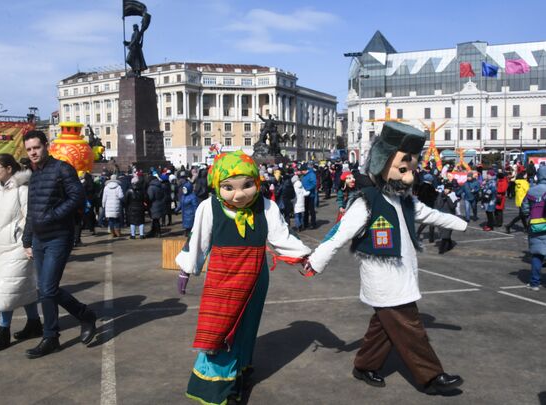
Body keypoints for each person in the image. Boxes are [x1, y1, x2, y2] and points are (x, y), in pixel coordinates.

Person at [305, 122, 466, 395]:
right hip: (383, 278)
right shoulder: (366, 201)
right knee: (410, 327)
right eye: (403, 170)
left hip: (401, 274)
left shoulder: (403, 199)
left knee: (384, 328)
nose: (408, 177)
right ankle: (431, 377)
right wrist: (316, 261)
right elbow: (339, 233)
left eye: (411, 170)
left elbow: (429, 214)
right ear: (382, 166)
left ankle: (365, 365)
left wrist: (460, 222)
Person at [176, 151, 311, 404]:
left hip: (256, 277)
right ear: (217, 185)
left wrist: (303, 256)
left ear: (257, 182)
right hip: (222, 277)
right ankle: (218, 388)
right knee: (221, 332)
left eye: (247, 185)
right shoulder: (209, 206)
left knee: (247, 326)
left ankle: (240, 372)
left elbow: (281, 237)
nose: (239, 195)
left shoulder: (266, 205)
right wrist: (186, 267)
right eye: (229, 187)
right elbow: (198, 240)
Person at [21, 131, 96, 358]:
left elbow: (78, 197)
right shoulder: (33, 176)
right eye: (29, 149)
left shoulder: (63, 169)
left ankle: (83, 315)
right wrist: (27, 239)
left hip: (58, 237)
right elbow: (31, 213)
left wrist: (53, 215)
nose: (33, 152)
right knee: (45, 290)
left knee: (48, 288)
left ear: (47, 146)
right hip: (38, 239)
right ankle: (51, 336)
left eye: (37, 147)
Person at [0, 154, 41, 351]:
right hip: (0, 247)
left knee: (6, 290)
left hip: (18, 247)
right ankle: (34, 323)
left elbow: (29, 216)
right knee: (23, 289)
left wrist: (20, 235)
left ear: (8, 169)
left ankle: (2, 332)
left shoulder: (22, 190)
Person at [521, 165, 546, 291]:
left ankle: (534, 283)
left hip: (537, 226)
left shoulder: (532, 190)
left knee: (537, 255)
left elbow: (524, 209)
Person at [435, 182, 458, 254]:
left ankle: (441, 249)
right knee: (443, 232)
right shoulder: (440, 195)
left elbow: (453, 206)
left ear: (450, 189)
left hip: (450, 216)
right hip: (441, 215)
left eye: (447, 189)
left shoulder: (453, 196)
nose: (446, 190)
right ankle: (450, 244)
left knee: (446, 232)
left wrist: (447, 198)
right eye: (445, 188)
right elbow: (438, 205)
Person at [416, 173, 438, 242]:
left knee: (426, 221)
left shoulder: (421, 186)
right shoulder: (430, 187)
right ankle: (431, 238)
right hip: (430, 206)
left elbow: (419, 196)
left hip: (423, 206)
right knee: (432, 222)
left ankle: (418, 234)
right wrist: (436, 193)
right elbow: (433, 196)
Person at [301, 163, 317, 229]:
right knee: (305, 210)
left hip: (310, 195)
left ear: (305, 170)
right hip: (304, 194)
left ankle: (313, 224)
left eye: (302, 170)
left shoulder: (312, 174)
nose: (301, 172)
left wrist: (307, 189)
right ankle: (305, 223)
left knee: (311, 210)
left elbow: (314, 183)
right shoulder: (304, 175)